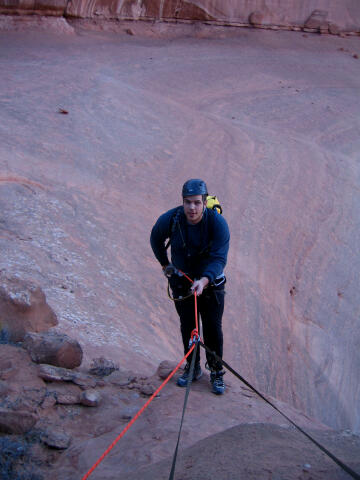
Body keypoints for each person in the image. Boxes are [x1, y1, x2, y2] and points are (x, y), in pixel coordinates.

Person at [150, 179, 230, 394]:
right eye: (188, 202)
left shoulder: (217, 224)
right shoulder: (172, 219)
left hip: (211, 284)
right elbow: (155, 238)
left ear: (204, 202)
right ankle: (193, 367)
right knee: (188, 326)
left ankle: (216, 371)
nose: (192, 208)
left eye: (196, 202)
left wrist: (203, 281)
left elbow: (219, 258)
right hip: (182, 282)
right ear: (182, 202)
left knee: (212, 329)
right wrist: (166, 265)